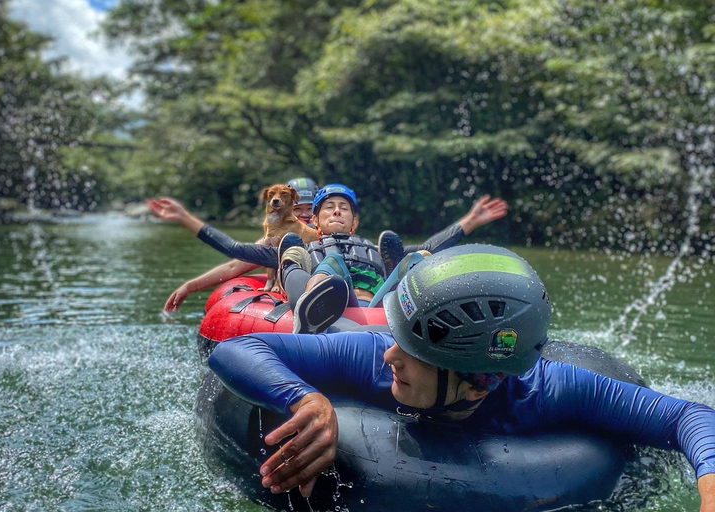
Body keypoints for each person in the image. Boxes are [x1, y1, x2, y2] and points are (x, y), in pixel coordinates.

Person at [207, 245, 715, 510]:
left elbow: (687, 416)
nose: (390, 359)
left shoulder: (549, 389)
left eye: (412, 353)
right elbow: (235, 350)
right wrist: (303, 399)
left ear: (478, 380)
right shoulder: (371, 353)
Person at [148, 183, 508, 332]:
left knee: (414, 260)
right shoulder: (305, 246)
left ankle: (427, 316)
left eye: (344, 209)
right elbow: (236, 252)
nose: (336, 212)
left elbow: (429, 245)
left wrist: (470, 221)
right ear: (315, 221)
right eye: (328, 209)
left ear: (355, 221)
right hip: (335, 306)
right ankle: (310, 310)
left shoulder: (375, 247)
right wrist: (185, 218)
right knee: (318, 260)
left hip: (382, 308)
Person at [159, 178, 319, 312]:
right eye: (298, 209)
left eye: (310, 208)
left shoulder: (327, 236)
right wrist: (190, 286)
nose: (304, 214)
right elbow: (233, 266)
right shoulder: (273, 241)